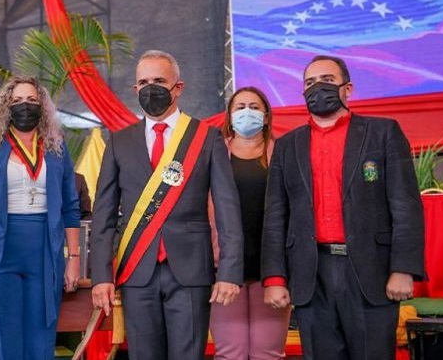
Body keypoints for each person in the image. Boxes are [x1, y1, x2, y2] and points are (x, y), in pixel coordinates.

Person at [262, 55, 425, 360]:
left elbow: (405, 206)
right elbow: (275, 217)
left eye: (327, 80)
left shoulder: (383, 132)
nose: (317, 88)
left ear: (347, 88)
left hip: (370, 271)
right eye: (310, 83)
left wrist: (403, 268)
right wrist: (274, 278)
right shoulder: (286, 146)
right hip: (311, 274)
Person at [90, 50, 244, 360]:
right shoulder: (119, 142)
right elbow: (103, 215)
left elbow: (228, 209)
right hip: (136, 271)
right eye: (143, 82)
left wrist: (229, 271)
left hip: (191, 271)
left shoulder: (206, 138)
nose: (150, 89)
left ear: (178, 87)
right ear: (135, 89)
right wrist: (101, 276)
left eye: (159, 81)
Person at [0, 76, 81, 360]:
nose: (25, 105)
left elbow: (70, 207)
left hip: (44, 250)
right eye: (18, 100)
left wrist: (73, 258)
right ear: (6, 106)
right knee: (3, 333)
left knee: (41, 334)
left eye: (32, 100)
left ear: (42, 107)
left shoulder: (57, 148)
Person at [209, 87, 290, 360]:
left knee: (267, 352)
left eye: (254, 107)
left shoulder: (283, 153)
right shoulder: (213, 153)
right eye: (240, 107)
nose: (247, 112)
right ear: (229, 116)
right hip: (222, 268)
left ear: (266, 117)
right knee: (230, 352)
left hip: (271, 269)